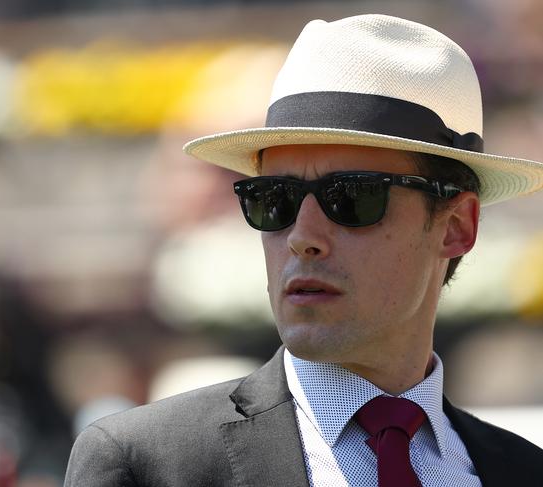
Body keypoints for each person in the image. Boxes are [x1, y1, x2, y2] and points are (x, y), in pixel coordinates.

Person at [64, 14, 543, 486]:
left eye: (353, 197)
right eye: (273, 200)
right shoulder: (145, 465)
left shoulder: (523, 472)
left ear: (456, 226)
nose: (301, 235)